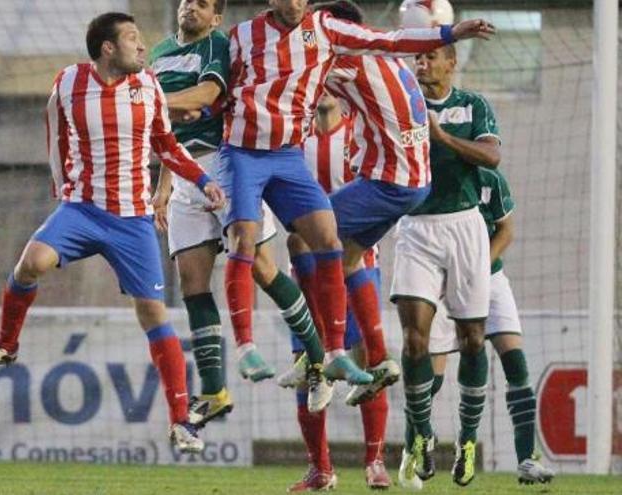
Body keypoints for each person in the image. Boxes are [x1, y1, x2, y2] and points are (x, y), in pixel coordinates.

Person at [0, 12, 226, 454]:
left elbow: (166, 144)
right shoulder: (68, 82)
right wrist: (60, 187)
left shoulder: (149, 87)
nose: (143, 47)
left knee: (153, 314)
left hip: (133, 219)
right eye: (133, 39)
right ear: (108, 48)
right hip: (81, 208)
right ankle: (5, 345)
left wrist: (201, 180)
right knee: (31, 264)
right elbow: (54, 130)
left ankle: (181, 421)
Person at [220, 0, 494, 400]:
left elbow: (303, 69)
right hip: (412, 182)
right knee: (346, 256)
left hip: (389, 182)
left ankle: (314, 358)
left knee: (301, 241)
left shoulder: (344, 59)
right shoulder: (385, 60)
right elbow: (393, 41)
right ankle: (379, 358)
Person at [149, 0, 330, 423]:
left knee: (262, 268)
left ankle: (319, 360)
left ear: (216, 18)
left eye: (204, 4)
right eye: (186, 0)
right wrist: (163, 187)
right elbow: (164, 130)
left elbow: (208, 94)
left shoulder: (218, 44)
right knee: (192, 281)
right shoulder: (158, 54)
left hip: (226, 164)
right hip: (182, 173)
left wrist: (154, 99)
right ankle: (214, 390)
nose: (191, 6)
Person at [392, 44, 499, 488]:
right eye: (418, 57)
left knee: (473, 339)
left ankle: (468, 441)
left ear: (452, 62)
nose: (422, 63)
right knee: (415, 341)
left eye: (432, 56)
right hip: (416, 227)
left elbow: (491, 157)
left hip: (465, 225)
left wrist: (443, 138)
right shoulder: (404, 103)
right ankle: (421, 435)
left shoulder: (471, 105)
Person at [284, 93, 390, 491]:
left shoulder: (360, 136)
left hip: (358, 264)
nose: (323, 87)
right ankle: (320, 468)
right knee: (307, 365)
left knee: (369, 361)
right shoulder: (294, 140)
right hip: (307, 268)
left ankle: (375, 460)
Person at [428, 167, 556, 485]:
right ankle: (421, 443)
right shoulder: (433, 175)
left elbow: (506, 231)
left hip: (490, 277)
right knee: (432, 375)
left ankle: (527, 458)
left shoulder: (490, 179)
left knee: (515, 360)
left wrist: (479, 270)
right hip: (442, 281)